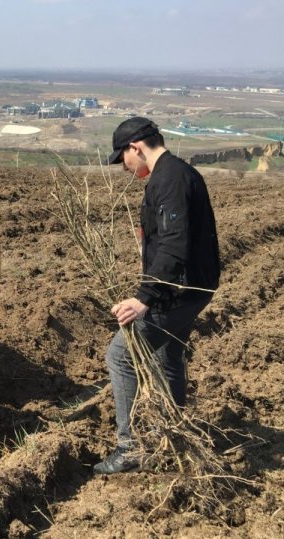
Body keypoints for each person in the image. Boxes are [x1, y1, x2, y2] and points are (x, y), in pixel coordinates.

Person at [94, 117, 220, 474]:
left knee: (119, 355)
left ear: (137, 147)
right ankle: (174, 432)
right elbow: (169, 238)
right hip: (191, 285)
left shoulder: (169, 178)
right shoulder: (176, 172)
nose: (123, 166)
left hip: (180, 290)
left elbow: (174, 244)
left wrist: (144, 297)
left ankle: (131, 448)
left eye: (123, 158)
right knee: (168, 353)